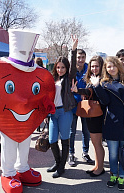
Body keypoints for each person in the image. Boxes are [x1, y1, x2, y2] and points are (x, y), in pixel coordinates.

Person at [91, 56, 124, 191]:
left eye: (113, 66)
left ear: (118, 65)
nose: (111, 69)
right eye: (108, 67)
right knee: (112, 154)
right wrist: (97, 86)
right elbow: (105, 102)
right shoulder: (104, 83)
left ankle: (122, 176)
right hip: (111, 123)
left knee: (123, 153)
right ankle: (113, 175)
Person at [47, 35, 78, 178]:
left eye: (63, 67)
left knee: (65, 139)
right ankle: (57, 162)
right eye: (58, 67)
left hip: (65, 113)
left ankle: (61, 167)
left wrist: (73, 49)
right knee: (52, 140)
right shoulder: (52, 79)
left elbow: (72, 65)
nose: (60, 70)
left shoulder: (69, 78)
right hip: (53, 113)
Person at [71, 55, 105, 177]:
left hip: (98, 115)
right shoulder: (92, 78)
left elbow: (98, 95)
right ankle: (97, 165)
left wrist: (95, 86)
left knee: (97, 143)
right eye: (92, 66)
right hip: (92, 115)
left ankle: (100, 168)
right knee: (95, 143)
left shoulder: (103, 79)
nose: (94, 68)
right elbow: (88, 92)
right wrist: (78, 91)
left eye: (97, 66)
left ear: (101, 67)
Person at [69, 48, 94, 167]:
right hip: (73, 106)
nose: (80, 60)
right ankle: (71, 153)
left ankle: (85, 153)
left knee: (86, 131)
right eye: (78, 57)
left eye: (83, 57)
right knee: (71, 132)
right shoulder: (71, 71)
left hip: (85, 106)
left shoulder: (89, 70)